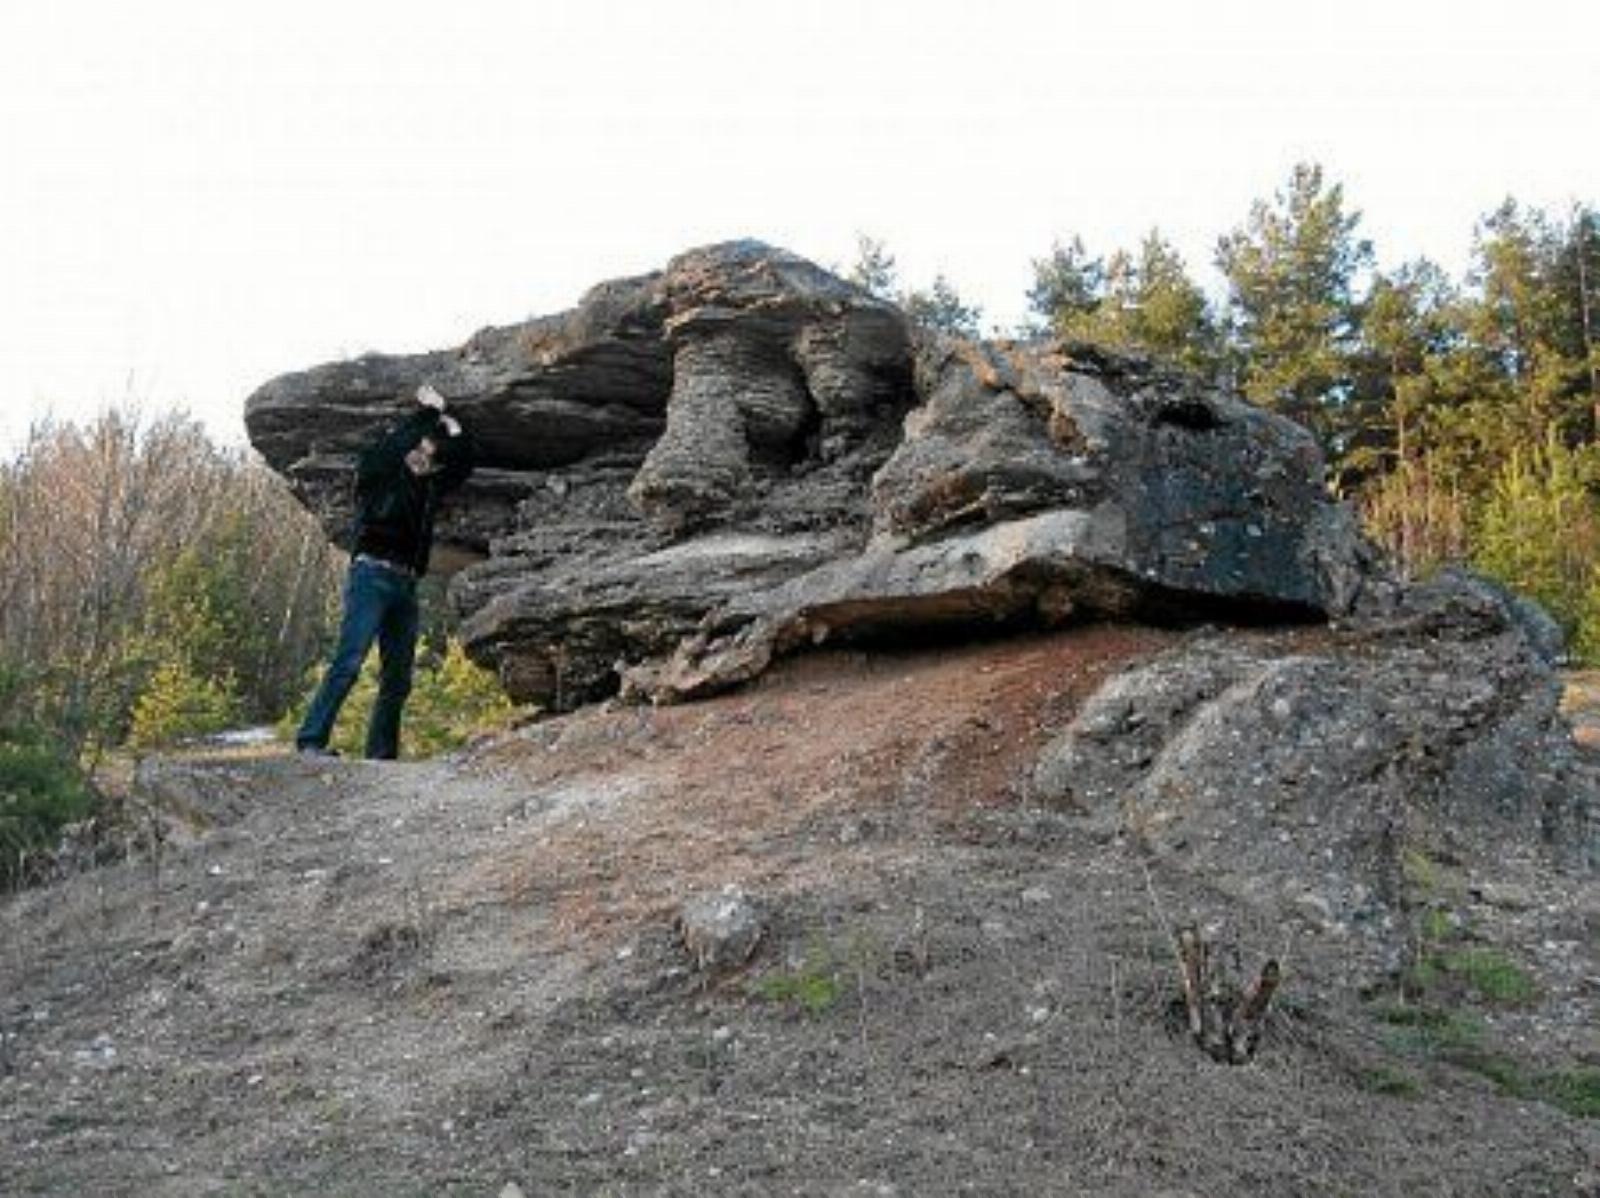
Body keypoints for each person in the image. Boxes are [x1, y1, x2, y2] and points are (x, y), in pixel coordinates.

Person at [296, 383, 474, 759]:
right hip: (371, 577)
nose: (423, 455)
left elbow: (464, 466)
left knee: (398, 678)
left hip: (406, 585)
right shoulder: (376, 475)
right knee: (349, 660)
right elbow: (392, 447)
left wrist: (455, 430)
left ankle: (381, 756)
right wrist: (429, 412)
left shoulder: (429, 490)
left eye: (429, 453)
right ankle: (310, 741)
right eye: (419, 449)